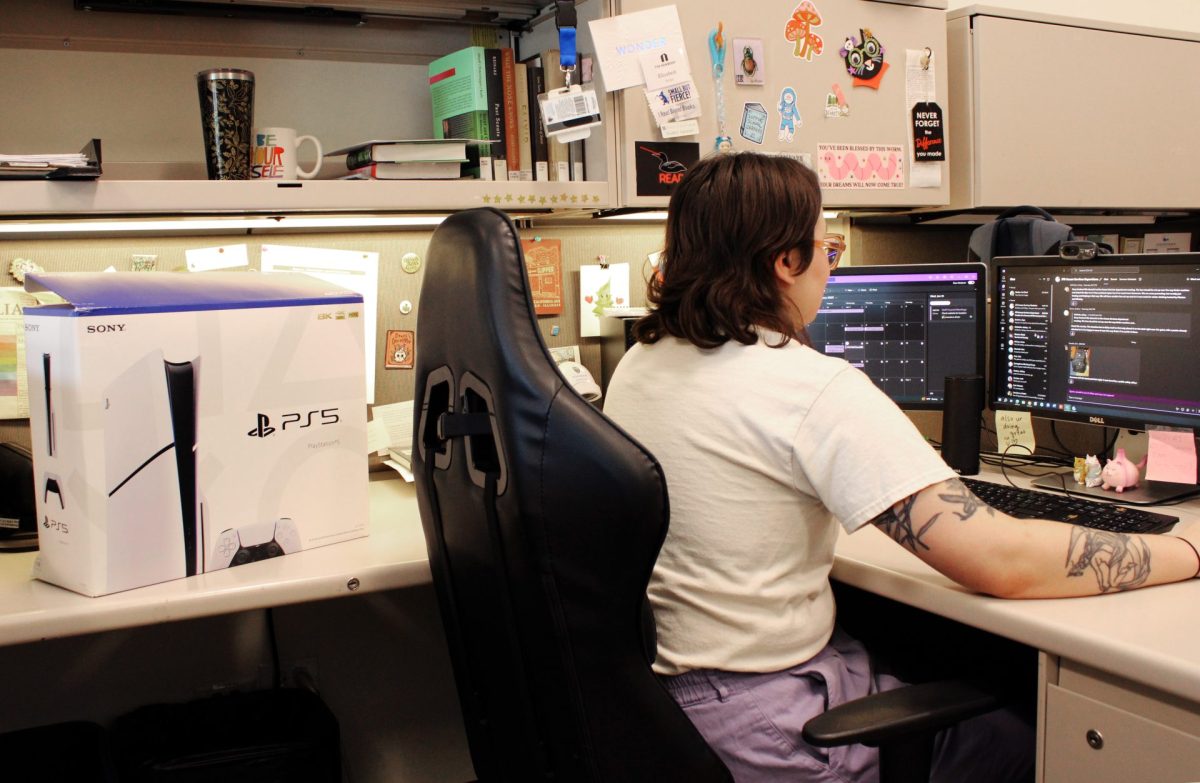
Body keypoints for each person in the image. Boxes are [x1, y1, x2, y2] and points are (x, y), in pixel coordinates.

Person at [602, 151, 1200, 783]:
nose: (829, 268)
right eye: (826, 249)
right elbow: (1001, 561)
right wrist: (1186, 553)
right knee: (1036, 742)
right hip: (773, 723)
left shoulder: (642, 364)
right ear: (784, 262)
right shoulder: (808, 386)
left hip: (675, 708)